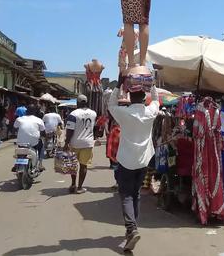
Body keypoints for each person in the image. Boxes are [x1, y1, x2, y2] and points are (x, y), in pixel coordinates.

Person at [108, 81, 159, 252]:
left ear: (130, 98)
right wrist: (150, 83)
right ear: (145, 99)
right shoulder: (150, 112)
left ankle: (131, 228)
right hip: (143, 160)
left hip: (126, 161)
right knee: (135, 194)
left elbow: (110, 104)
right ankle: (132, 229)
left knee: (126, 195)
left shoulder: (124, 113)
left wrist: (119, 84)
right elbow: (157, 100)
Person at [64, 95, 97, 194]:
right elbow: (93, 127)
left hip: (74, 143)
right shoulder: (93, 113)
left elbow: (70, 130)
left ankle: (73, 184)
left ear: (77, 103)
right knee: (83, 166)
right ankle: (80, 188)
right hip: (88, 143)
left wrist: (66, 143)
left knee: (73, 165)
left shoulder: (73, 114)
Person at [14, 104, 46, 170]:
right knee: (41, 147)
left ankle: (16, 164)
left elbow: (15, 127)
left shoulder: (19, 119)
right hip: (34, 143)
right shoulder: (39, 120)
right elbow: (43, 131)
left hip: (21, 142)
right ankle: (40, 164)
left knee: (20, 149)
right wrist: (43, 136)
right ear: (35, 112)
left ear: (26, 111)